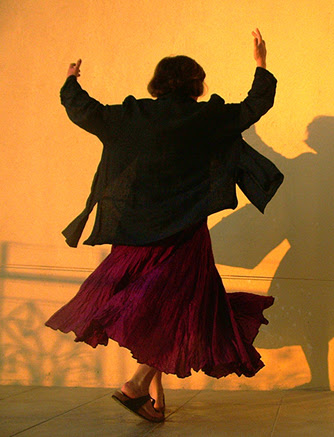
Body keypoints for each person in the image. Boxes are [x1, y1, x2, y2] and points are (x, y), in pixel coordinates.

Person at [45, 29, 282, 422]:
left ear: (158, 83)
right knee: (182, 310)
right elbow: (254, 106)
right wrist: (261, 63)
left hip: (136, 235)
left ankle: (154, 400)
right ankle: (137, 385)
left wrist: (71, 80)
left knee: (160, 308)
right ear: (196, 84)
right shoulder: (205, 119)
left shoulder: (132, 117)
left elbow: (84, 111)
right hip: (183, 236)